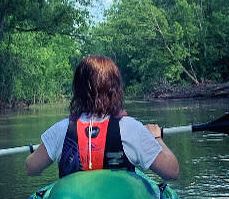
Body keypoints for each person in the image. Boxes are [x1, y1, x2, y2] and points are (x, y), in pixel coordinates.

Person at [25, 55, 179, 181]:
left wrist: (47, 148)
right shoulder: (131, 129)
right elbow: (172, 172)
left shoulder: (61, 130)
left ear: (78, 90)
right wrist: (157, 138)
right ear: (115, 90)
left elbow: (31, 168)